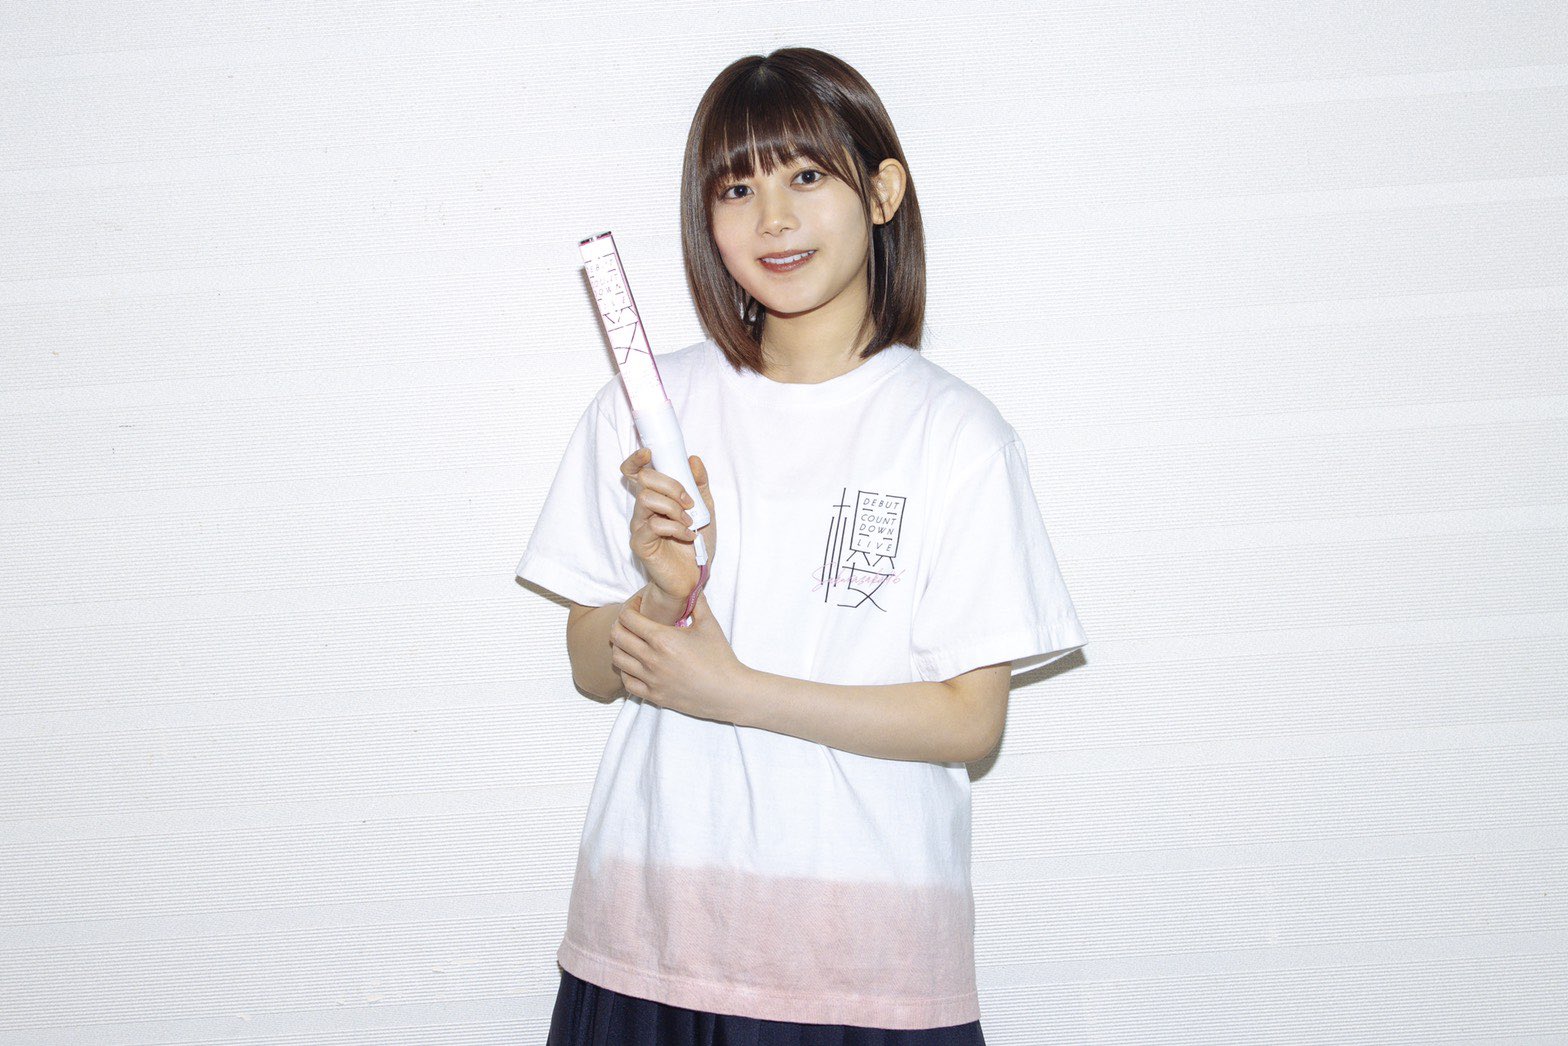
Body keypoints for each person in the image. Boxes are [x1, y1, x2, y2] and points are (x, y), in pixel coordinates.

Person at [518, 46, 1087, 1045]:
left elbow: (969, 720)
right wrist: (662, 599)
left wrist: (734, 690)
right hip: (649, 937)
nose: (772, 218)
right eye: (737, 188)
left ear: (882, 192)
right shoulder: (650, 410)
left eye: (807, 175)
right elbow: (587, 664)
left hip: (862, 967)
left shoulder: (955, 434)